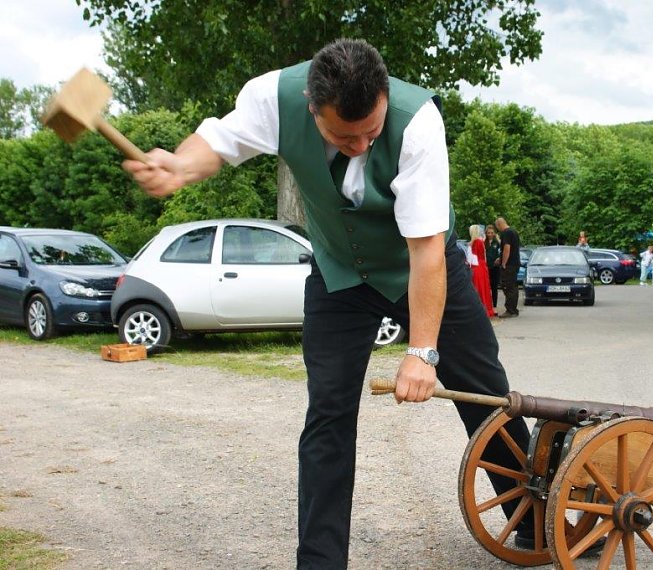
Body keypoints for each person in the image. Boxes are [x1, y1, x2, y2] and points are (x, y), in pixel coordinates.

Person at [121, 39, 531, 568]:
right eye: (343, 134)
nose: (360, 145)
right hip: (340, 273)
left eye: (372, 131)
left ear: (384, 97)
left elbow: (426, 251)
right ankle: (319, 561)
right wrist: (179, 165)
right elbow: (219, 141)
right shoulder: (275, 96)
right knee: (328, 415)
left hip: (422, 268)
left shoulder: (418, 121)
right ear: (313, 107)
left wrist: (422, 352)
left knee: (484, 395)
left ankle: (533, 515)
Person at [494, 217, 520, 318]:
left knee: (508, 286)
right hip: (515, 263)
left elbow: (507, 248)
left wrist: (503, 262)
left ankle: (510, 310)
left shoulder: (506, 233)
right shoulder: (514, 231)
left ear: (499, 224)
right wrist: (500, 259)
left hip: (509, 265)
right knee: (513, 286)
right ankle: (514, 309)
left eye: (497, 227)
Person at [468, 224, 495, 317]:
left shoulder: (475, 242)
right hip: (482, 267)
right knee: (484, 288)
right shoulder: (480, 241)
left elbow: (473, 259)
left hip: (477, 267)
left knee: (478, 288)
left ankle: (479, 310)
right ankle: (487, 308)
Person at [484, 223, 502, 309]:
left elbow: (501, 252)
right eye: (488, 233)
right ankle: (487, 304)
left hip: (495, 268)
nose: (490, 234)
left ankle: (494, 304)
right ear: (486, 233)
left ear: (494, 233)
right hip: (486, 267)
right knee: (487, 286)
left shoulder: (497, 242)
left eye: (492, 233)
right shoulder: (484, 242)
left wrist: (499, 258)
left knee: (494, 287)